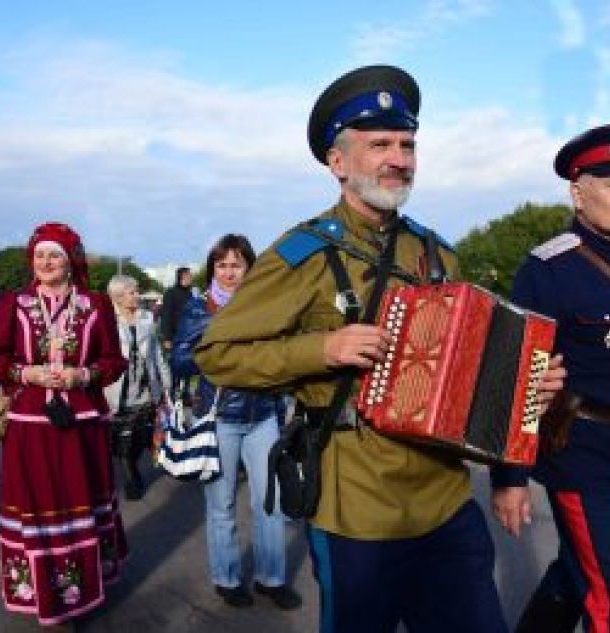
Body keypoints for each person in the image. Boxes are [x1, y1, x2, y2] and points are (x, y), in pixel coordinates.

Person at [192, 65, 564, 632]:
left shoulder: (438, 254)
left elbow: (470, 376)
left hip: (444, 500)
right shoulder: (304, 254)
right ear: (338, 163)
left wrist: (525, 387)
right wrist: (322, 349)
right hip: (357, 510)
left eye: (408, 144)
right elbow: (216, 353)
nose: (400, 158)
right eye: (380, 144)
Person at [490, 124, 610, 632]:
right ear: (578, 191)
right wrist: (510, 477)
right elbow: (520, 376)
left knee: (577, 572)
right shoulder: (548, 269)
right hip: (580, 453)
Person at [0, 222, 128, 626]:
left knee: (79, 499)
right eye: (39, 255)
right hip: (29, 423)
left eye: (54, 255)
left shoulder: (95, 304)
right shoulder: (14, 302)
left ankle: (81, 589)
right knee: (37, 504)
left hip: (82, 426)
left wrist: (83, 376)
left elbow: (114, 362)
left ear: (70, 261)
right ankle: (43, 593)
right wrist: (29, 374)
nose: (45, 262)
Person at [170, 234, 300, 610]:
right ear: (213, 269)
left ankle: (271, 578)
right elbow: (180, 362)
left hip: (263, 416)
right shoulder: (199, 309)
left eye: (237, 265)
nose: (229, 272)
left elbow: (278, 361)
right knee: (221, 505)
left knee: (269, 503)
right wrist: (222, 342)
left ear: (249, 268)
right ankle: (227, 578)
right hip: (219, 418)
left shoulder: (265, 306)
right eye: (222, 265)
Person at [104, 274, 169, 500]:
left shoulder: (148, 318)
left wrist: (166, 384)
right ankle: (131, 476)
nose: (137, 296)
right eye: (132, 292)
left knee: (142, 435)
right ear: (119, 297)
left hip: (145, 386)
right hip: (118, 388)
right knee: (123, 437)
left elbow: (157, 354)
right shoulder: (107, 321)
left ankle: (131, 462)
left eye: (137, 291)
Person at [161, 266, 195, 402]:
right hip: (174, 337)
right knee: (173, 367)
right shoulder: (170, 293)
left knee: (187, 366)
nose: (190, 278)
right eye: (188, 276)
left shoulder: (191, 294)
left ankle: (185, 393)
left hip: (189, 337)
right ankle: (172, 394)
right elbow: (166, 315)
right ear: (181, 277)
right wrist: (167, 338)